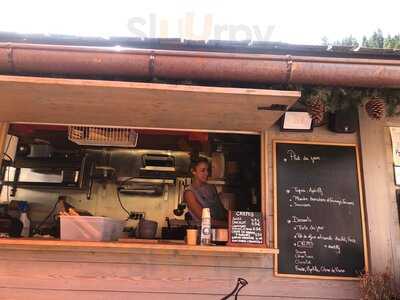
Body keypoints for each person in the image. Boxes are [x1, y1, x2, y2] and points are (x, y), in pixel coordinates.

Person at [183, 157, 227, 228]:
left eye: (207, 170)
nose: (207, 173)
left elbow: (222, 211)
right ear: (193, 171)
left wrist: (235, 219)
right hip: (203, 233)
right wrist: (229, 224)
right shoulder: (189, 193)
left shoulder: (212, 188)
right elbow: (204, 219)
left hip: (222, 231)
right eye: (203, 170)